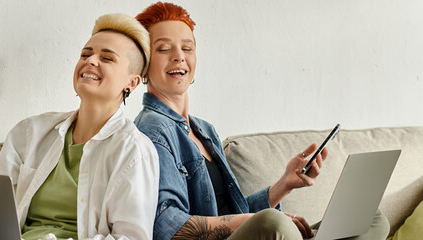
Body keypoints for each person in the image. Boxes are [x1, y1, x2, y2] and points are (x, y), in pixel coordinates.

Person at [132, 2, 390, 240]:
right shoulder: (153, 130)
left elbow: (234, 213)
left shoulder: (204, 130)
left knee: (373, 218)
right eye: (164, 49)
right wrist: (261, 219)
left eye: (187, 48)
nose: (179, 56)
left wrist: (284, 184)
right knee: (273, 224)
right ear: (144, 64)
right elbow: (166, 224)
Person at [0, 13, 159, 240]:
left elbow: (131, 237)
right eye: (86, 54)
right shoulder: (29, 132)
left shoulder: (134, 150)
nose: (90, 60)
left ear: (132, 82)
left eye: (107, 58)